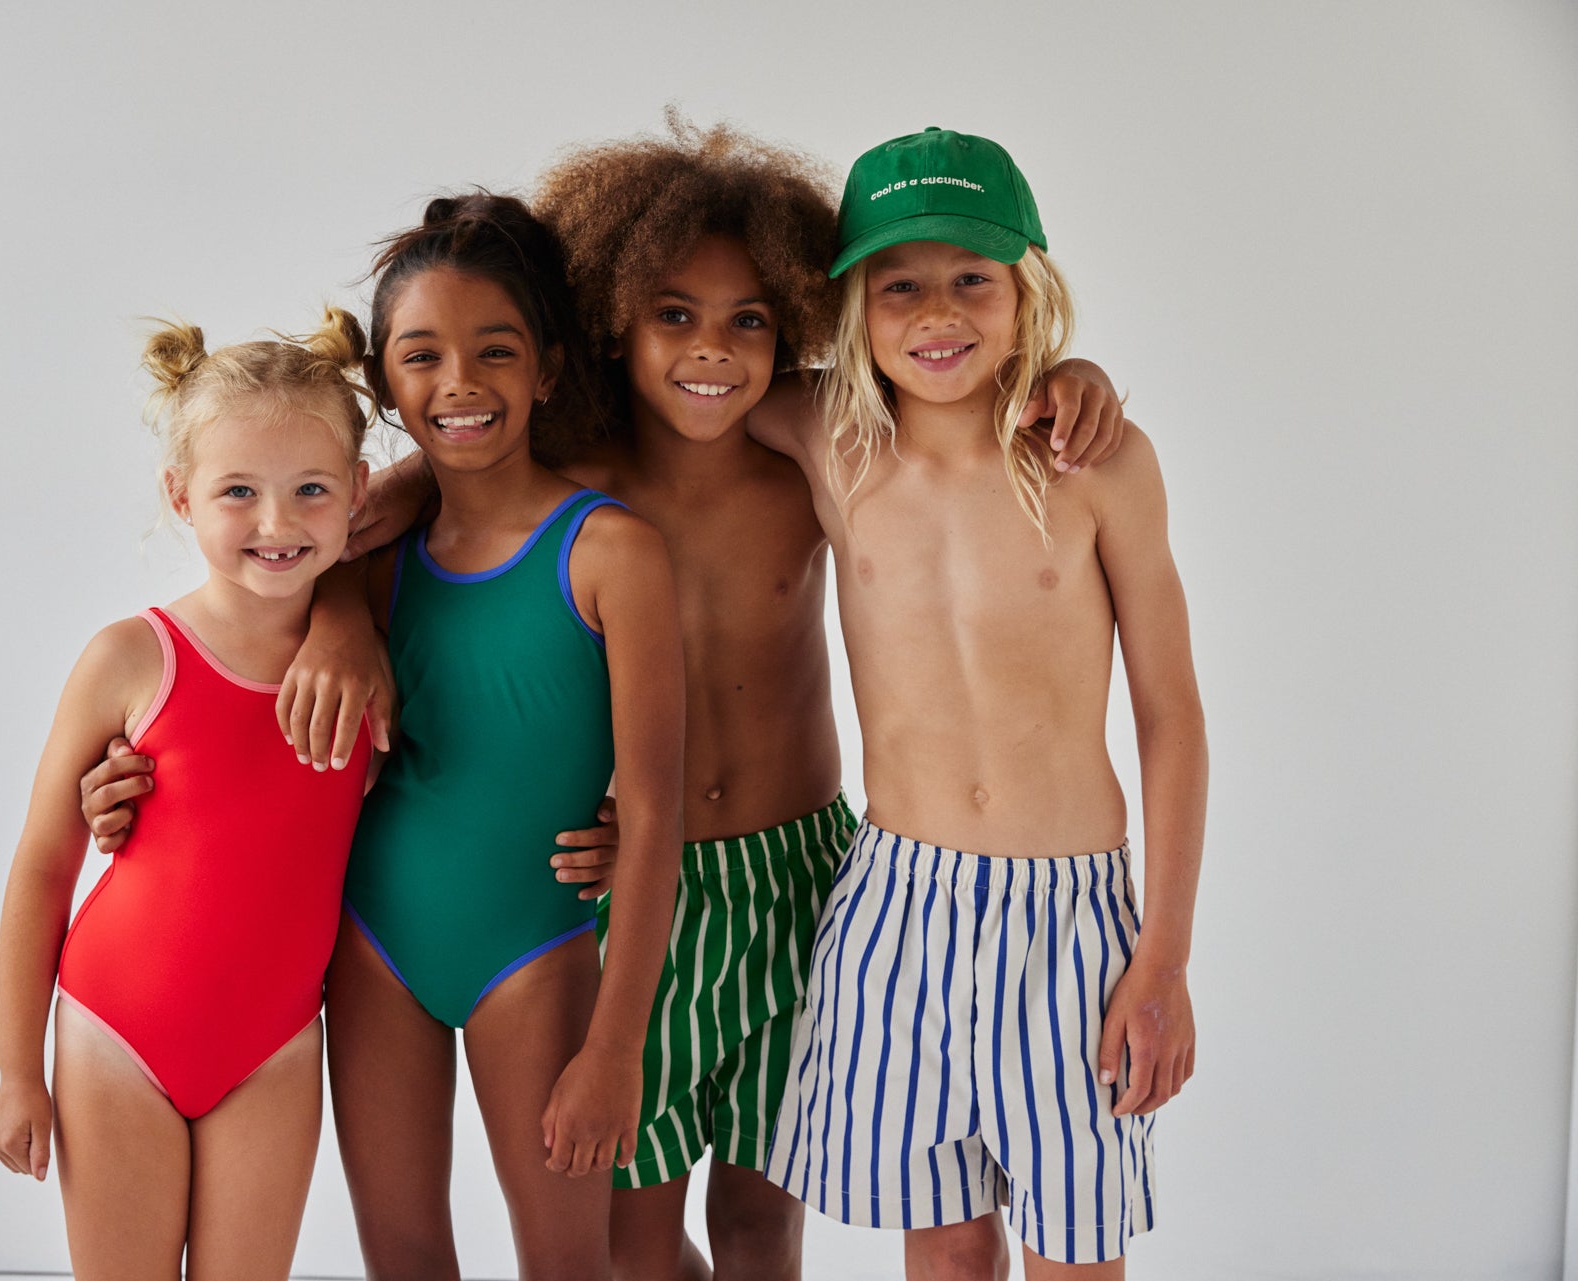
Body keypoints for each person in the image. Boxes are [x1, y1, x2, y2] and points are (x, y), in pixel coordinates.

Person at [256, 117, 1130, 1281]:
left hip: (797, 876)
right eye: (671, 315)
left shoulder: (820, 449)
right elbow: (431, 476)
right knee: (635, 1235)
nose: (710, 350)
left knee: (763, 1224)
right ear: (611, 325)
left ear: (795, 325)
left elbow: (953, 386)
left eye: (749, 321)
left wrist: (1068, 376)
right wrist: (339, 608)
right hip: (631, 890)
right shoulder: (582, 478)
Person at [757, 127, 1207, 1280]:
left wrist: (1162, 959)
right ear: (851, 305)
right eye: (898, 285)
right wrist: (409, 484)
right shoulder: (828, 435)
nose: (938, 312)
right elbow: (665, 387)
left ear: (1026, 292)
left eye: (973, 279)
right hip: (897, 902)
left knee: (1074, 1254)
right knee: (948, 1249)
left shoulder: (1098, 462)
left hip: (1071, 919)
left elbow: (1171, 716)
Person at [328, 192, 685, 1281]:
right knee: (401, 1259)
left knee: (567, 1263)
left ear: (549, 369)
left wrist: (616, 1050)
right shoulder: (365, 564)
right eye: (421, 356)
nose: (460, 383)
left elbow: (656, 811)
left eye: (495, 350)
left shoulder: (611, 553)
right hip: (373, 941)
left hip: (534, 952)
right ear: (383, 383)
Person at [0, 312, 374, 1280]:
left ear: (358, 493)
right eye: (239, 490)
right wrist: (17, 1071)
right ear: (180, 495)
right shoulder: (129, 657)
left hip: (278, 1048)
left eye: (311, 489)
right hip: (116, 1034)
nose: (278, 523)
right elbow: (43, 864)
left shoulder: (377, 663)